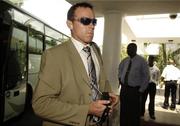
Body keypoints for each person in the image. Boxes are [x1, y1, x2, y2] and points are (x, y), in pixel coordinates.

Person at [32, 2, 118, 126]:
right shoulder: (54, 56)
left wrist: (110, 96)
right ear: (70, 24)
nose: (92, 26)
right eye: (85, 21)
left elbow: (101, 82)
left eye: (94, 22)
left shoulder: (95, 49)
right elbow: (40, 104)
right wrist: (86, 110)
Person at [118, 43, 149, 126]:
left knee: (134, 113)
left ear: (135, 49)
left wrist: (141, 90)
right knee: (124, 111)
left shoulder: (142, 61)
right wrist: (120, 78)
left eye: (130, 49)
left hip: (135, 91)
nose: (128, 50)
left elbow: (146, 77)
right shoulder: (125, 60)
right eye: (127, 49)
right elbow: (120, 69)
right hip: (124, 90)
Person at [141, 55, 160, 120]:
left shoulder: (156, 69)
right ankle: (141, 112)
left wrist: (155, 83)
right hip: (145, 84)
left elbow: (158, 78)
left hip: (152, 85)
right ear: (148, 59)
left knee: (152, 100)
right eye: (149, 59)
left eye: (151, 59)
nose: (150, 60)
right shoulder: (144, 67)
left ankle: (151, 113)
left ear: (153, 60)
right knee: (143, 99)